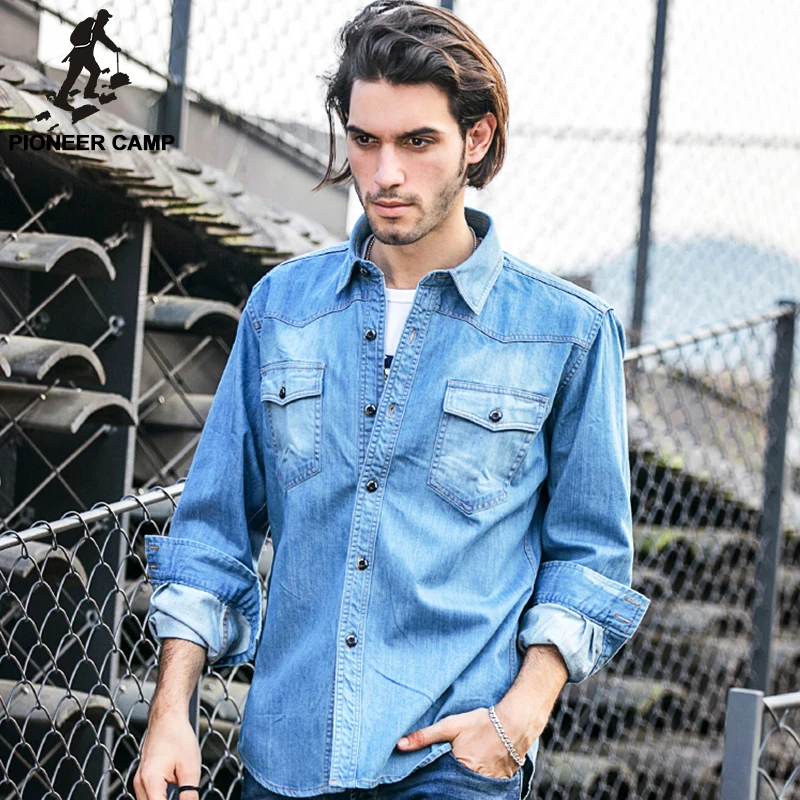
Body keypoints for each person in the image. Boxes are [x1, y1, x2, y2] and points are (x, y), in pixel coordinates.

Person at [134, 2, 650, 798]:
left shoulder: (568, 333)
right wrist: (171, 711)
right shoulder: (282, 310)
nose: (384, 175)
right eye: (364, 140)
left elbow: (590, 554)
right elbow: (213, 530)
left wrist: (518, 719)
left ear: (476, 139)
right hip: (288, 757)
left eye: (417, 142)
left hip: (453, 764)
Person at [53, 8, 118, 111]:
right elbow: (104, 40)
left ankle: (88, 92)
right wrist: (114, 48)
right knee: (71, 78)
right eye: (106, 18)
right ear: (101, 18)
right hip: (78, 55)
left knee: (95, 71)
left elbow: (105, 40)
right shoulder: (90, 24)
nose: (107, 21)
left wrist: (114, 48)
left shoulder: (98, 29)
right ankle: (60, 99)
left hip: (87, 56)